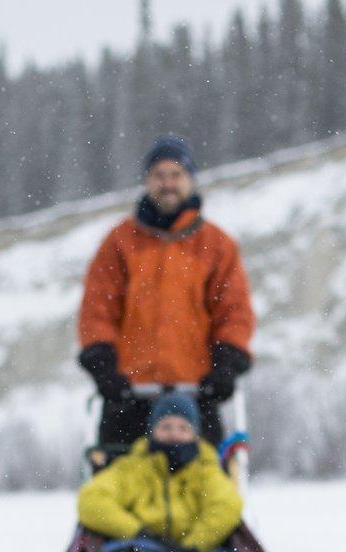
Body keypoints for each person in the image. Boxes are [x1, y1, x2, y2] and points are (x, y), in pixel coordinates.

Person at [77, 134, 255, 451]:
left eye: (176, 175)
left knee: (205, 491)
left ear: (190, 180)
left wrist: (227, 364)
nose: (168, 183)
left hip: (195, 396)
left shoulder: (216, 246)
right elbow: (97, 308)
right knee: (117, 492)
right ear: (147, 181)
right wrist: (102, 364)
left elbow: (234, 311)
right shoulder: (119, 243)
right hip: (129, 395)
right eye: (159, 175)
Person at [77, 392, 243, 552]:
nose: (174, 434)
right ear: (152, 431)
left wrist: (193, 545)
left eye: (183, 428)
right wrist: (139, 532)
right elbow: (92, 500)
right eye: (166, 427)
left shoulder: (206, 470)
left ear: (195, 435)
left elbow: (226, 506)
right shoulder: (132, 468)